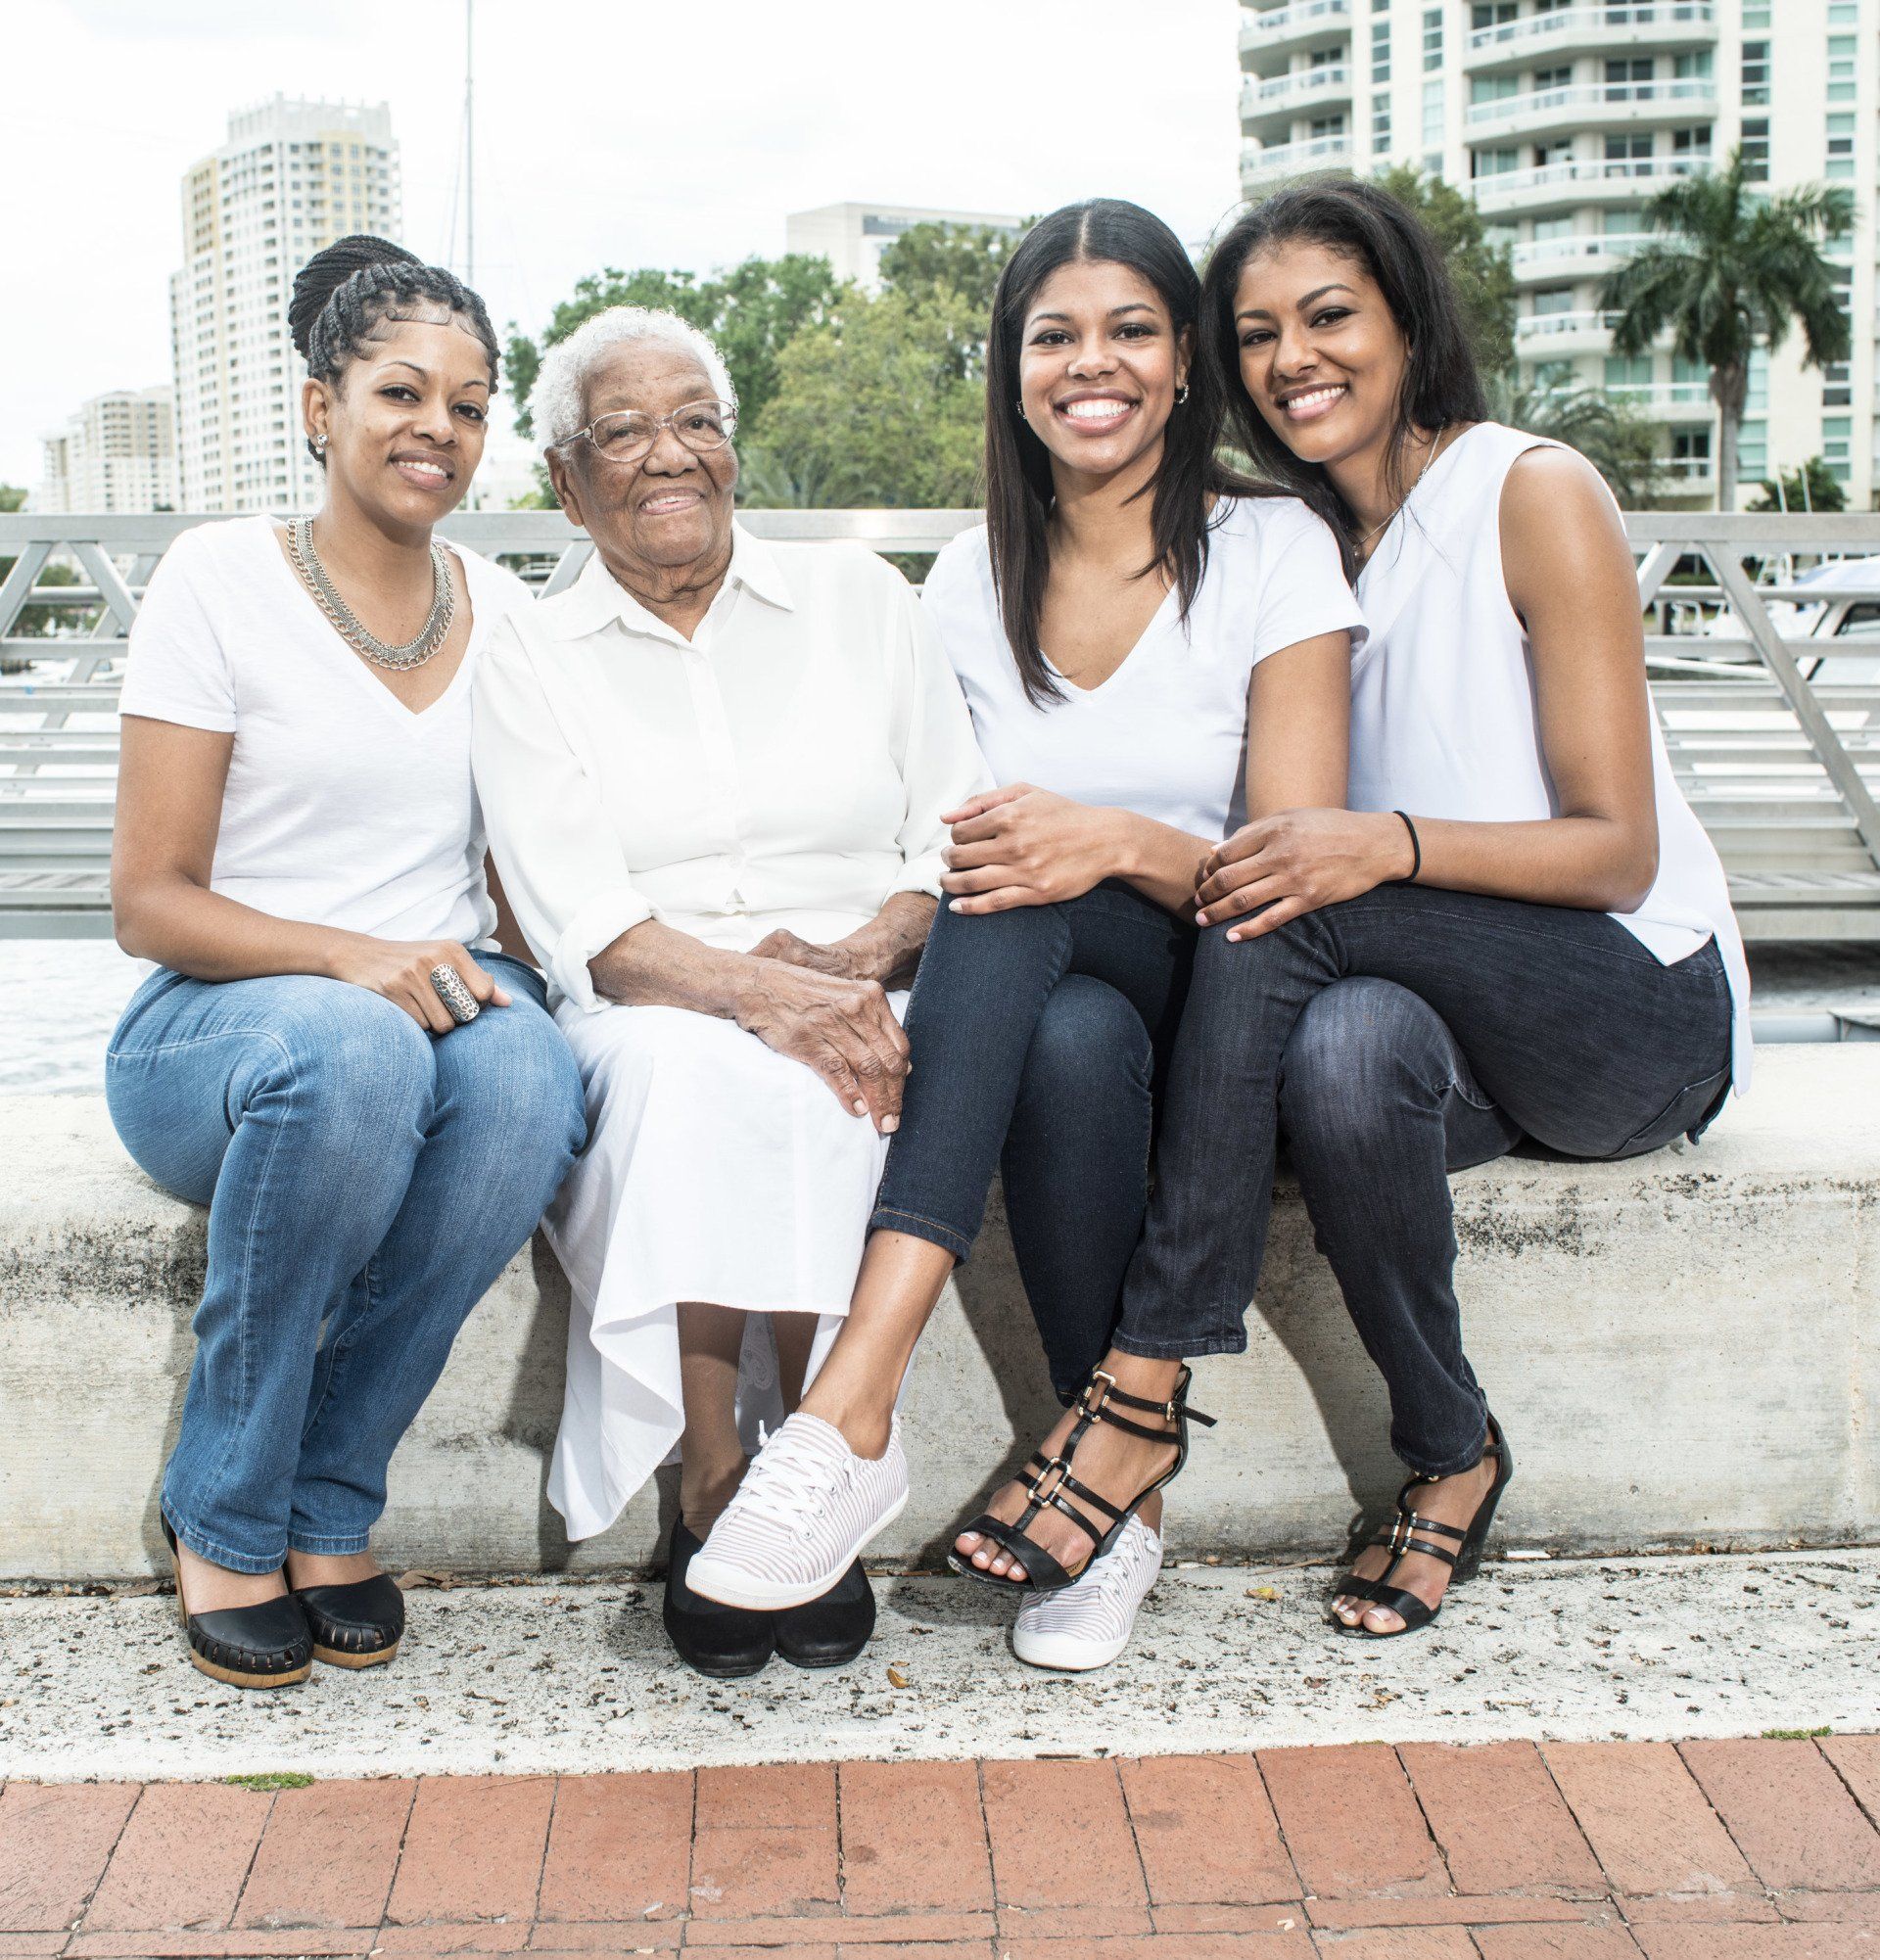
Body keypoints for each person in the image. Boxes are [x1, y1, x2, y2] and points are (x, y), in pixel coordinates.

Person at [957, 176, 1750, 1643]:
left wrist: (1377, 841)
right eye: (1256, 332)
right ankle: (1452, 1449)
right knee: (1340, 1047)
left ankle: (1141, 1380)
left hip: (1636, 1004)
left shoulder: (1530, 489)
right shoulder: (1288, 540)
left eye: (1330, 317)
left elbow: (1617, 854)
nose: (1292, 358)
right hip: (1438, 1015)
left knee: (1291, 891)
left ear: (1407, 323)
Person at [683, 199, 1363, 1673]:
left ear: (1186, 361)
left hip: (1234, 981)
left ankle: (854, 1401)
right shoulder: (966, 579)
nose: (1089, 364)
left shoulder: (1271, 547)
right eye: (1052, 336)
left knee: (1028, 876)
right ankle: (1121, 1501)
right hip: (1066, 987)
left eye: (1129, 330)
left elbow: (1292, 869)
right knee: (1050, 1009)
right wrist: (866, 944)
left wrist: (1107, 838)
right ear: (1011, 368)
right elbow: (938, 845)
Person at [470, 305, 987, 1681]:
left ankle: (811, 1466)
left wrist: (870, 953)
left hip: (867, 965)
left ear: (735, 450)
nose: (670, 453)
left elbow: (952, 829)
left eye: (696, 419)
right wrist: (762, 994)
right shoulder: (528, 647)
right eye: (624, 430)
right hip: (658, 996)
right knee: (699, 1074)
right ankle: (716, 1479)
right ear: (568, 483)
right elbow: (585, 915)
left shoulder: (862, 598)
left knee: (851, 1063)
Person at [106, 236, 586, 1691]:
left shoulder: (502, 611)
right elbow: (148, 900)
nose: (435, 427)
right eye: (399, 391)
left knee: (529, 1074)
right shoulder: (219, 580)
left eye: (469, 402)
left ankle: (327, 1500)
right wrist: (351, 958)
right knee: (355, 1046)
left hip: (416, 1012)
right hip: (218, 1029)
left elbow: (523, 877)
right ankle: (226, 1504)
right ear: (322, 407)